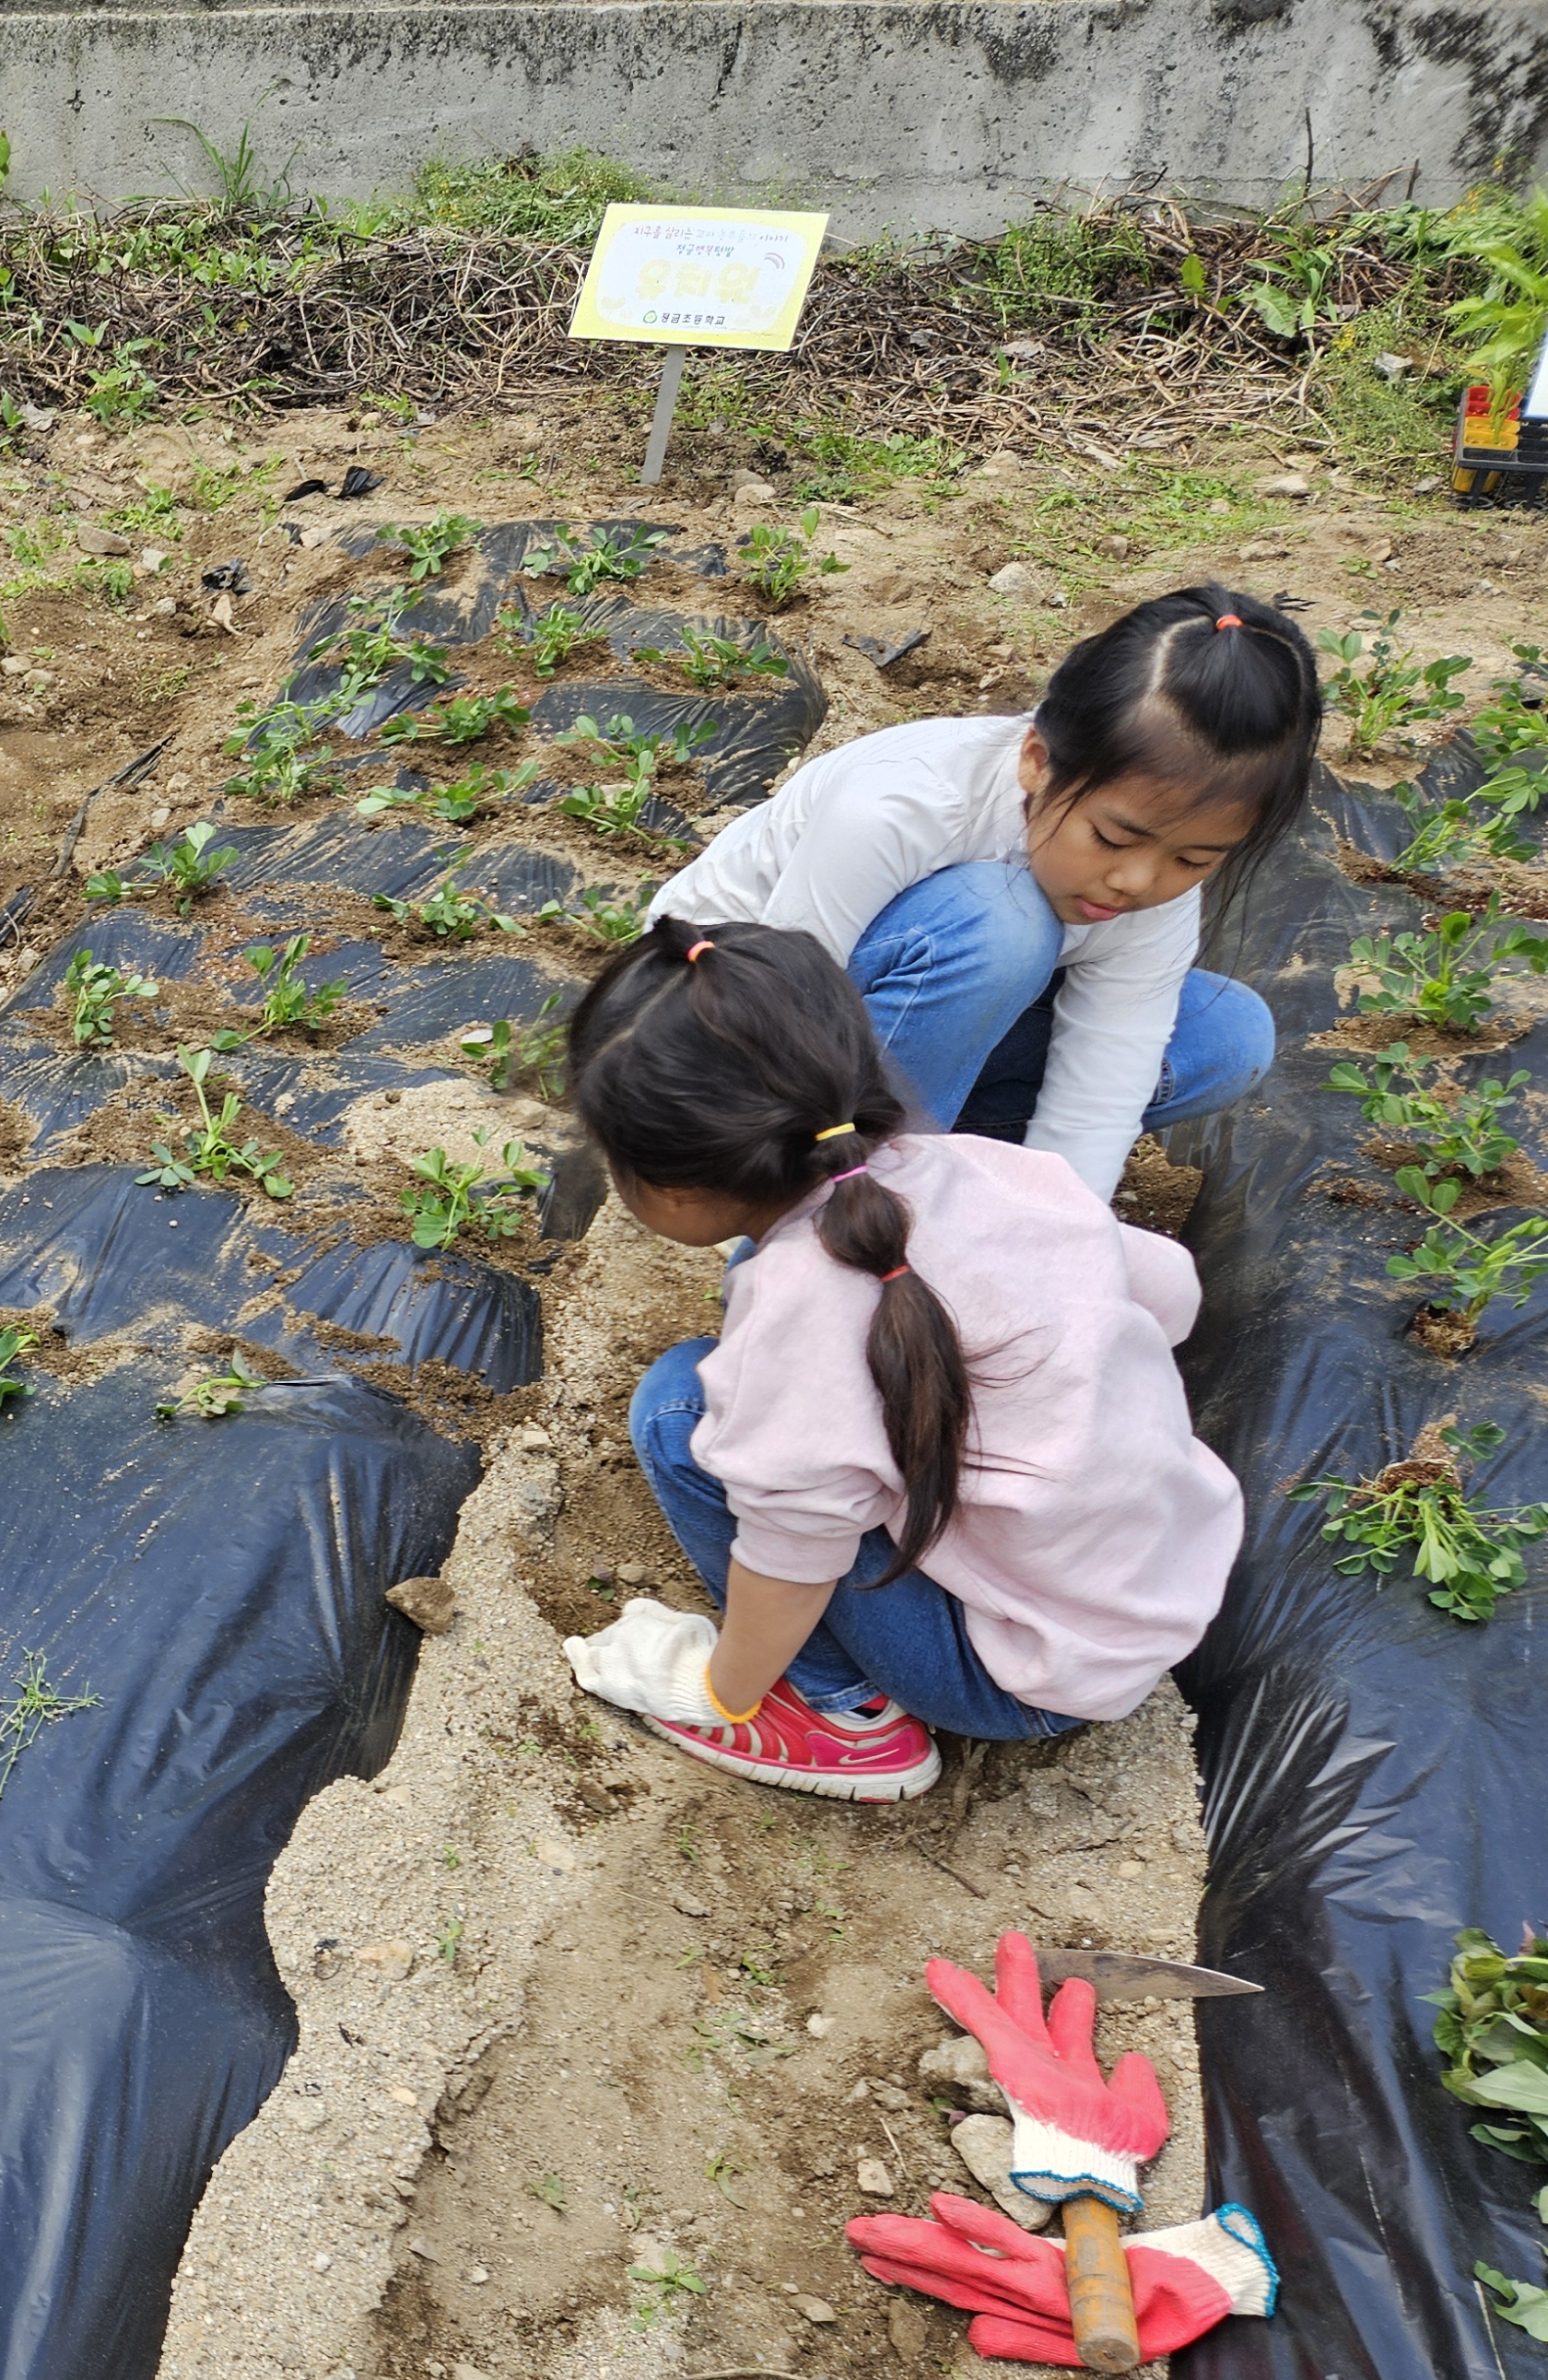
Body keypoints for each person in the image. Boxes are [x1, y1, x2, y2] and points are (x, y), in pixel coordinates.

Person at [556, 920, 1244, 1801]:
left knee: (677, 1409)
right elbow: (1172, 1292)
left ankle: (842, 1716)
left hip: (1013, 1679)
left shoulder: (802, 1310)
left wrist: (721, 1689)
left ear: (676, 1186)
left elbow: (790, 1549)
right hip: (1151, 1590)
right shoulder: (993, 1171)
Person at [647, 582, 1321, 1198]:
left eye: (1195, 858)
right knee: (1002, 923)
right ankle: (850, 1201)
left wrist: (1058, 1242)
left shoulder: (1152, 892)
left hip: (909, 1038)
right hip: (727, 1035)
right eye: (1114, 839)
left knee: (1227, 1035)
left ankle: (942, 1170)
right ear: (1036, 761)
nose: (1138, 881)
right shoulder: (900, 807)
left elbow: (1098, 1096)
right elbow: (786, 1009)